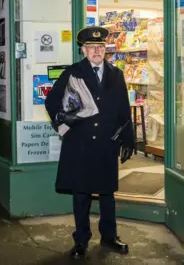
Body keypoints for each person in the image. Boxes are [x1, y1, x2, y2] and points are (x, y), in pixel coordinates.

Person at [45, 26, 134, 259]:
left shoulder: (117, 74)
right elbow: (52, 100)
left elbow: (124, 108)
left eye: (100, 47)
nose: (96, 50)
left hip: (106, 142)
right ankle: (81, 240)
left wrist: (128, 138)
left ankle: (109, 236)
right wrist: (61, 118)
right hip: (80, 143)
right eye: (91, 47)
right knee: (81, 193)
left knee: (107, 193)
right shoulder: (73, 72)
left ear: (106, 50)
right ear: (83, 50)